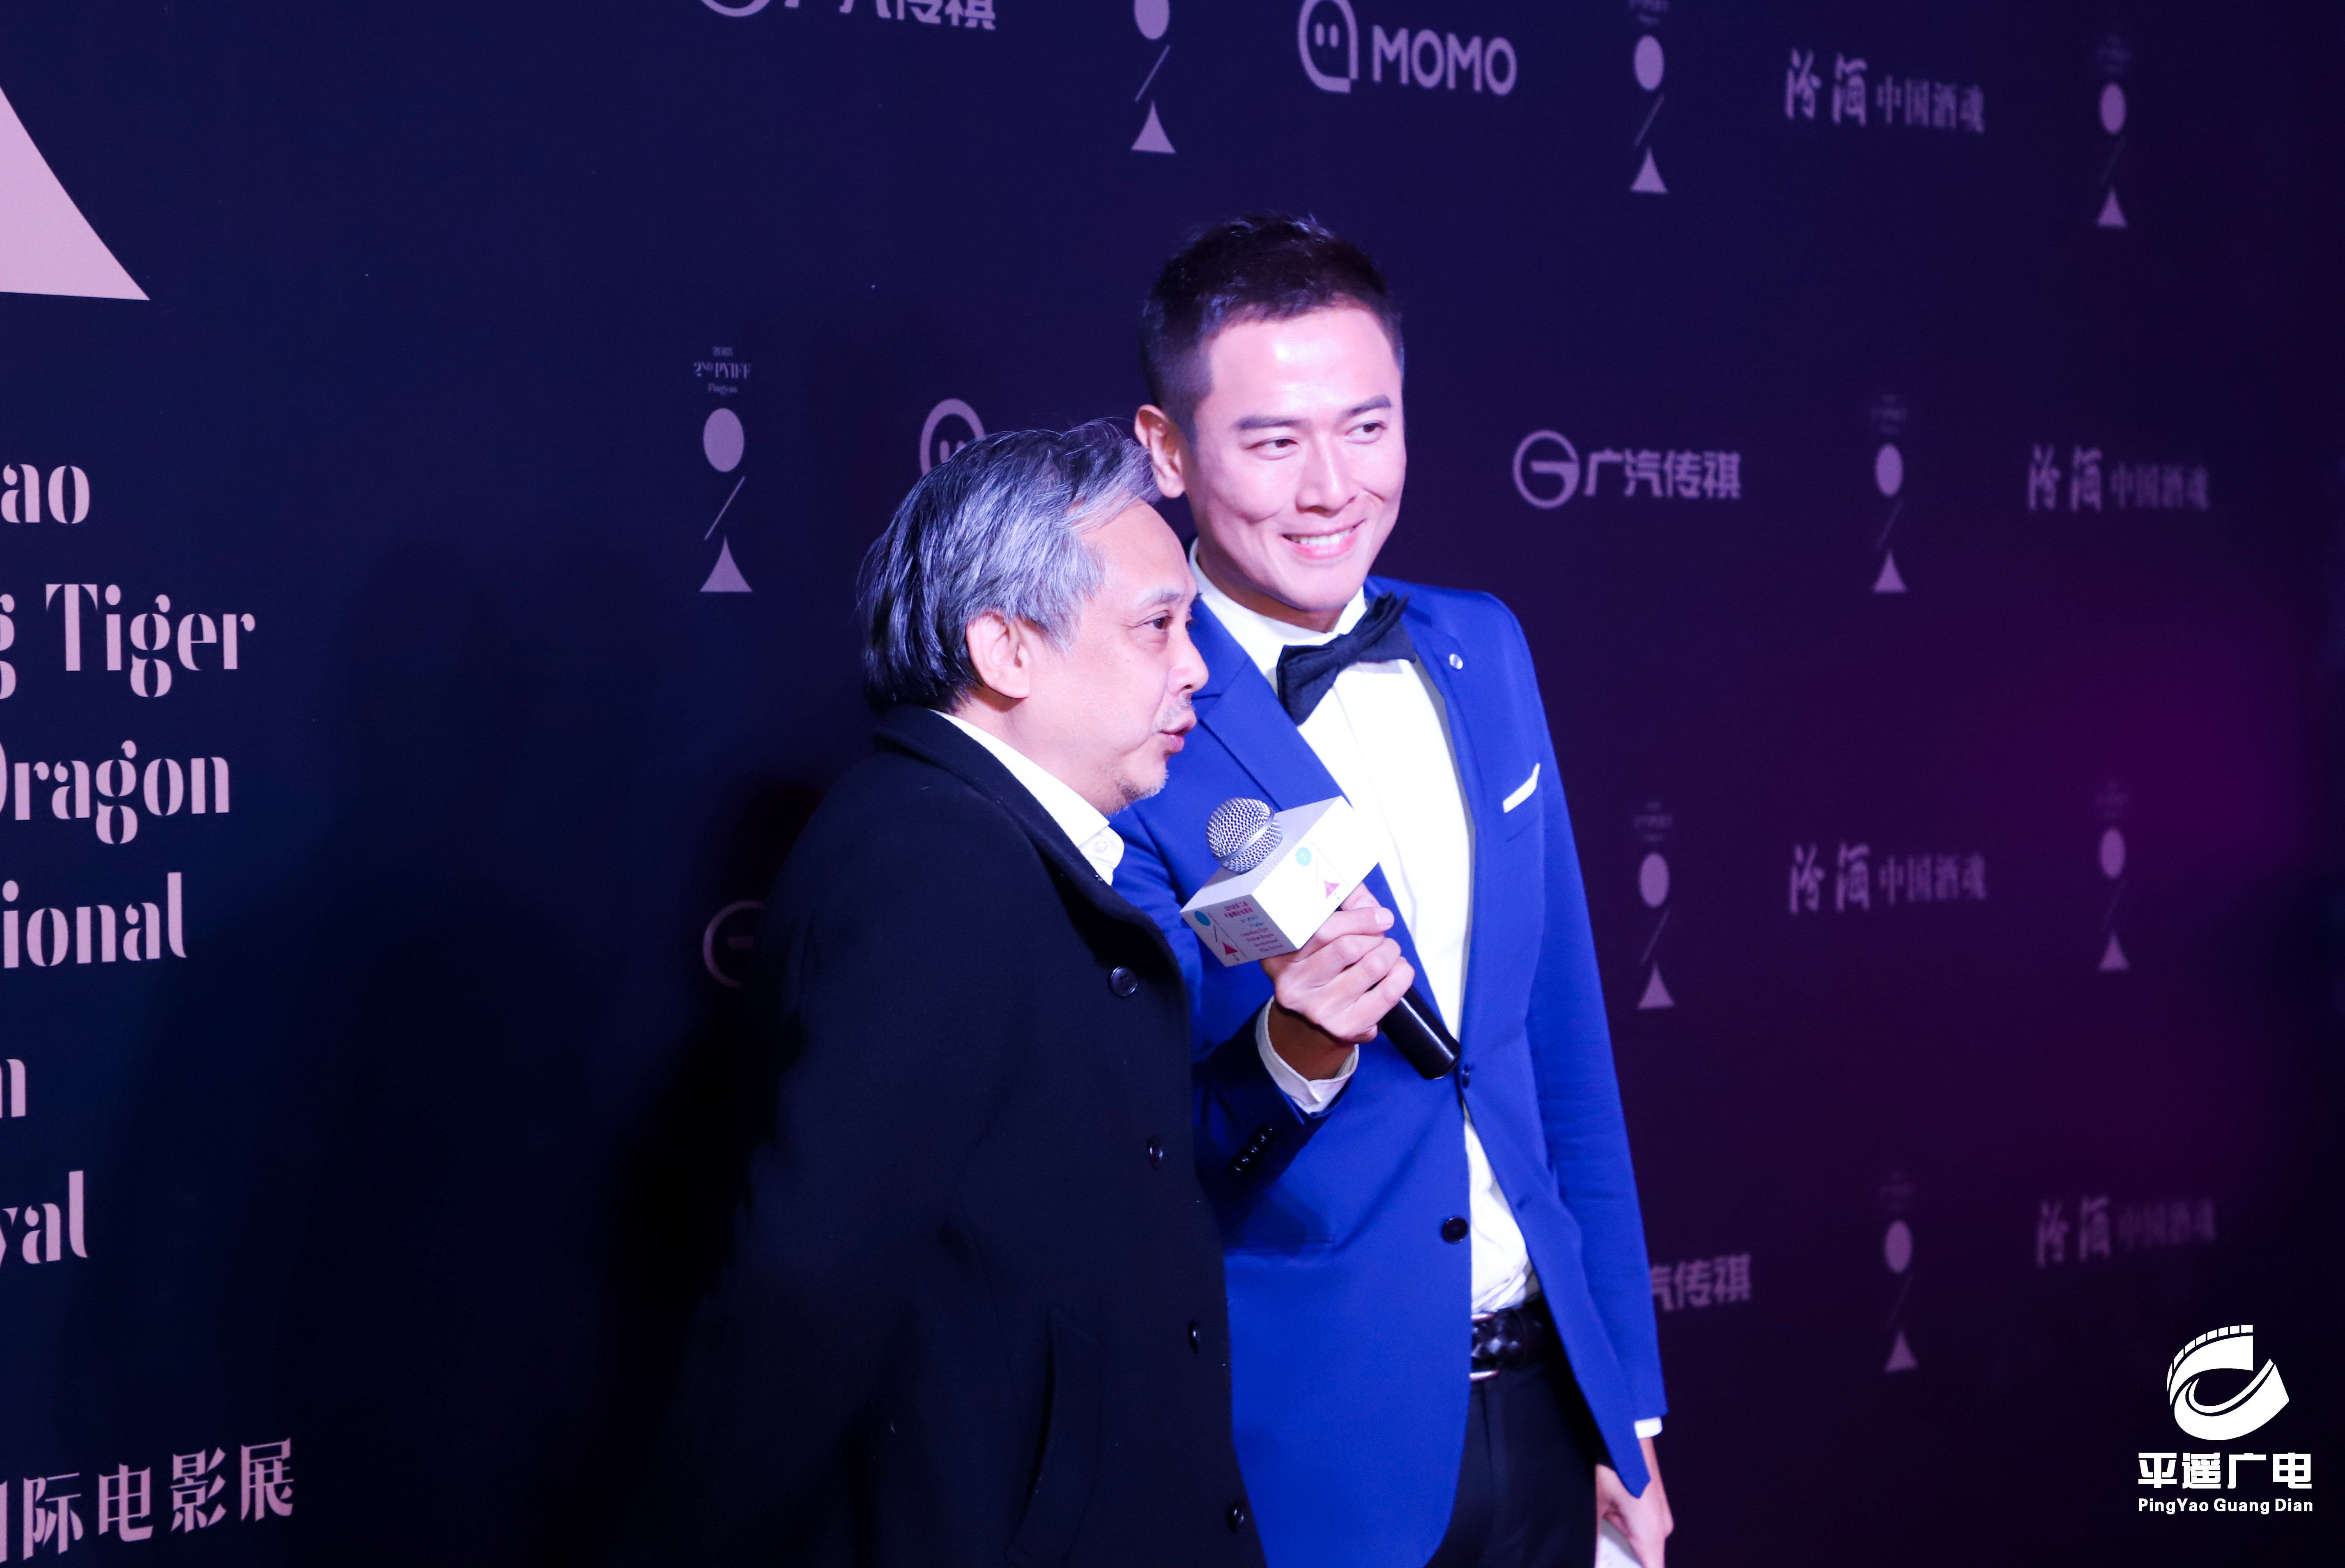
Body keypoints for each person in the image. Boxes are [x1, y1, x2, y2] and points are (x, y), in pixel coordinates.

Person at [1109, 216, 1675, 1568]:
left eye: (1367, 429)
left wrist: (1628, 1409)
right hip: (1300, 1448)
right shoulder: (1122, 715)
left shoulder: (1485, 644)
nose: (1331, 490)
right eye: (1272, 442)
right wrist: (1290, 1048)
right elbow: (1121, 1162)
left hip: (1552, 1413)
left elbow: (1560, 1050)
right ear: (1168, 452)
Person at [637, 424, 1262, 1567]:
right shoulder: (939, 862)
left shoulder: (982, 844)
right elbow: (808, 1275)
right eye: (1158, 626)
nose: (1197, 670)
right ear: (1005, 649)